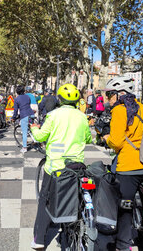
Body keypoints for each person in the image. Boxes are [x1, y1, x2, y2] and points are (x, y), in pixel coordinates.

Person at [102, 76, 143, 251]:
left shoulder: (119, 111)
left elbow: (117, 142)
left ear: (118, 95)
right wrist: (141, 140)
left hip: (128, 167)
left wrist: (107, 139)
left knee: (125, 209)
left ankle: (123, 245)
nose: (108, 99)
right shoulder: (142, 108)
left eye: (109, 95)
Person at [30, 83, 92, 249]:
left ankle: (39, 239)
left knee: (45, 199)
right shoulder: (82, 117)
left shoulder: (53, 115)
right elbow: (87, 138)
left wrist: (34, 129)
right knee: (77, 196)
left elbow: (41, 136)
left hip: (55, 166)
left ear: (59, 98)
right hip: (77, 166)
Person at [11, 85, 34, 153]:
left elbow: (15, 110)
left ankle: (24, 147)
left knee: (24, 132)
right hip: (31, 114)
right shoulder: (27, 96)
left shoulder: (17, 99)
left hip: (24, 115)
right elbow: (28, 104)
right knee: (33, 129)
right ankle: (38, 142)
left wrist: (13, 118)